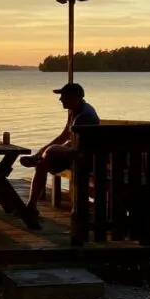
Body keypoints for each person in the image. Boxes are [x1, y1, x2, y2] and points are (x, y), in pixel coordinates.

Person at [19, 82, 100, 217]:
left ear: (74, 97)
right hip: (76, 153)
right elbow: (64, 136)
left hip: (86, 158)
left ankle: (37, 158)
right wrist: (42, 150)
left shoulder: (85, 115)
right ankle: (31, 205)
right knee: (42, 164)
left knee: (51, 152)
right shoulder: (74, 111)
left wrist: (53, 150)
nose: (60, 99)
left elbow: (79, 147)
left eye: (63, 95)